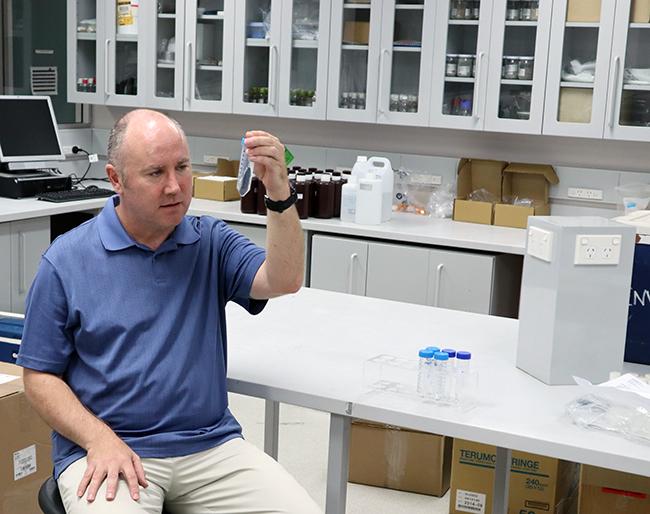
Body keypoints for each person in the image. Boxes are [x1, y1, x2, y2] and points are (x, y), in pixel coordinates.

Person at [16, 109, 322, 514]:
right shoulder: (66, 261)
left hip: (210, 446)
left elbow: (283, 279)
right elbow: (40, 377)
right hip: (113, 449)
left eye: (182, 167)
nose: (175, 186)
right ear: (115, 179)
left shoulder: (210, 241)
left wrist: (279, 193)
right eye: (155, 173)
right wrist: (98, 439)